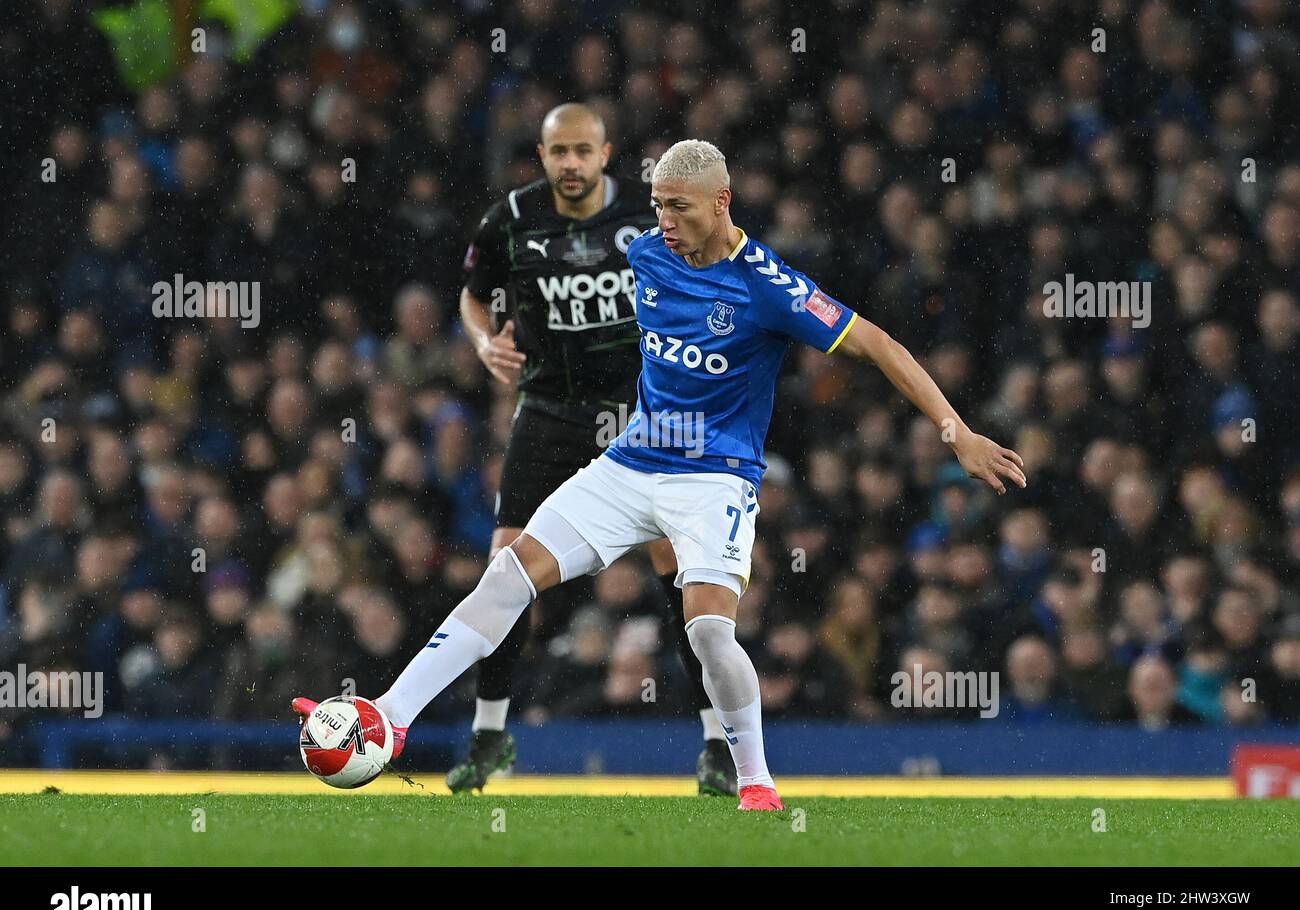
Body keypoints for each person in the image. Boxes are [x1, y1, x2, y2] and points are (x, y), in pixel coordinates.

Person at [294, 139, 1025, 810]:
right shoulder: (648, 254)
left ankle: (757, 781)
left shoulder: (768, 285)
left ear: (721, 202)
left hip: (715, 481)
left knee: (708, 633)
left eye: (679, 206)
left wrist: (955, 432)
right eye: (657, 205)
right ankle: (387, 716)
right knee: (508, 574)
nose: (664, 220)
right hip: (632, 462)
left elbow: (880, 343)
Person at [448, 104, 734, 794]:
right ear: (541, 156)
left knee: (677, 563)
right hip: (549, 411)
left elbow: (707, 271)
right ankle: (490, 735)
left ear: (606, 154)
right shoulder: (512, 219)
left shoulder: (649, 215)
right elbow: (472, 294)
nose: (571, 163)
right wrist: (486, 339)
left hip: (641, 409)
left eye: (583, 151)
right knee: (507, 565)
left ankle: (718, 744)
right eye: (558, 152)